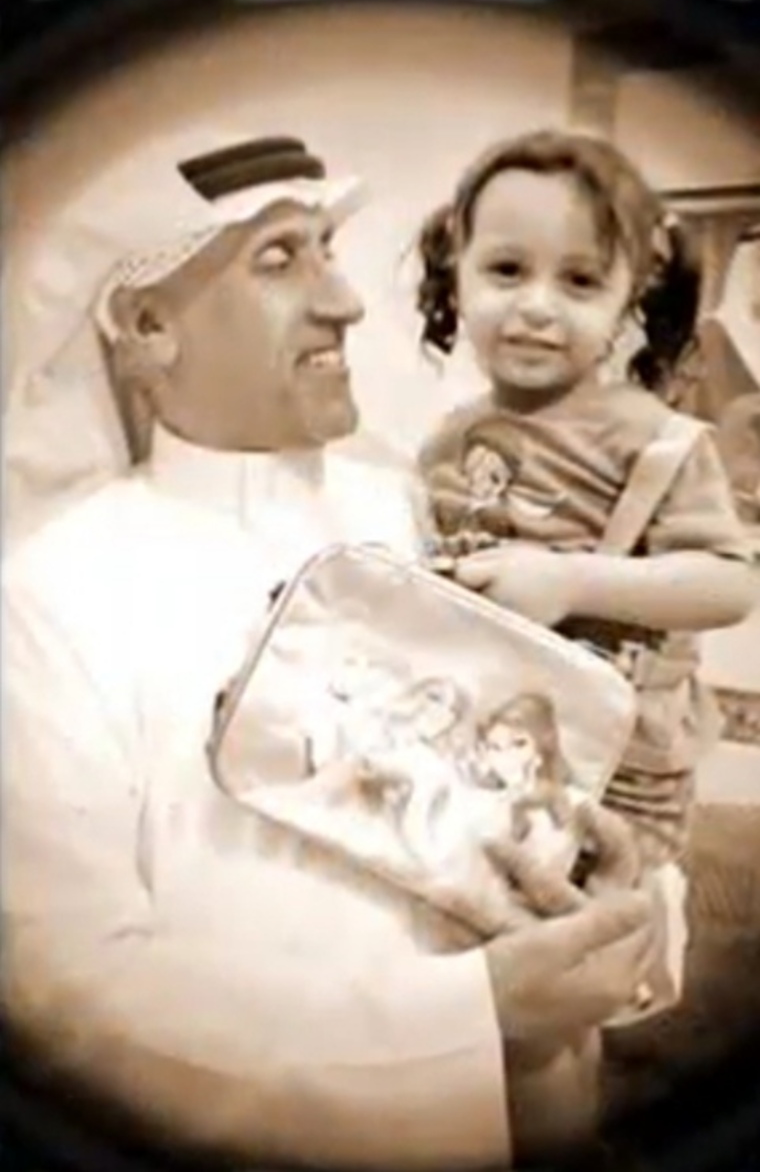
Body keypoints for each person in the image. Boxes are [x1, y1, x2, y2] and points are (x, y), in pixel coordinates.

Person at [3, 130, 657, 1171]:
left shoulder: (399, 512)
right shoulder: (48, 595)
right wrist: (470, 1011)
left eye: (328, 249)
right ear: (147, 327)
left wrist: (587, 899)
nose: (346, 301)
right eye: (279, 258)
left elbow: (468, 813)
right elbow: (70, 997)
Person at [413, 128, 756, 1021]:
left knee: (597, 970)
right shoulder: (447, 439)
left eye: (579, 281)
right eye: (506, 270)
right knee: (495, 945)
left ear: (626, 298)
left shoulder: (658, 439)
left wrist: (571, 584)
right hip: (494, 747)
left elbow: (729, 581)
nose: (536, 307)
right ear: (456, 274)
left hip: (626, 770)